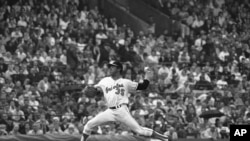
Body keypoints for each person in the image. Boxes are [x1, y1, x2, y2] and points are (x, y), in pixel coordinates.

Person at [81, 61, 169, 141]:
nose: (110, 68)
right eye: (110, 66)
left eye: (113, 66)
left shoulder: (126, 82)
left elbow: (143, 86)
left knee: (140, 131)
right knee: (89, 125)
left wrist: (147, 78)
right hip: (110, 111)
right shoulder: (104, 81)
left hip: (121, 110)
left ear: (119, 69)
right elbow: (96, 90)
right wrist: (91, 90)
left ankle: (165, 139)